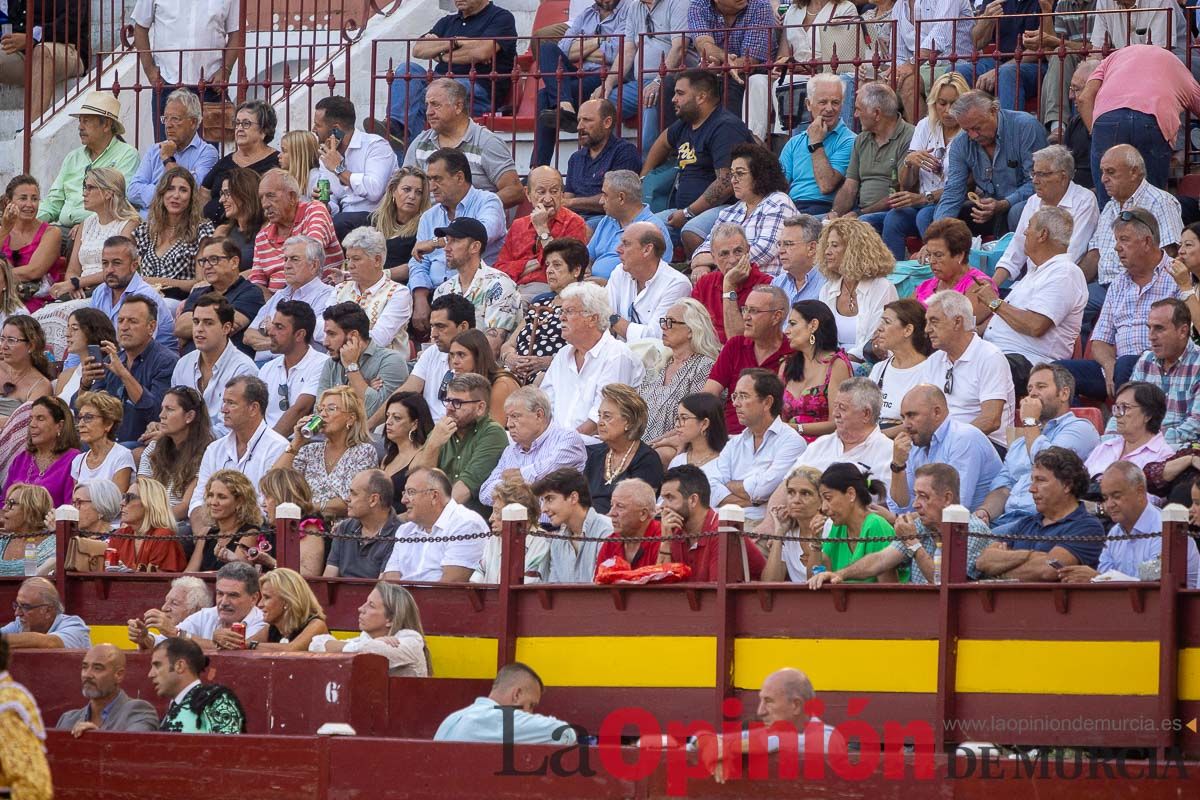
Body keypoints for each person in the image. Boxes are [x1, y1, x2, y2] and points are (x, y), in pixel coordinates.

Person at [1061, 208, 1179, 401]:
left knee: (1126, 364)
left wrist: (1123, 366)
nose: (1117, 247)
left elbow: (1184, 335)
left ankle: (1123, 418)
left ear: (1146, 242)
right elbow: (1100, 341)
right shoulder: (1118, 284)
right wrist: (1109, 366)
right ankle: (1080, 420)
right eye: (1116, 240)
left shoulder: (1178, 275)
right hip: (1118, 369)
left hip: (1162, 369)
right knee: (1057, 373)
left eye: (1124, 239)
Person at [757, 378, 896, 539]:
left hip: (850, 540)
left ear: (866, 414)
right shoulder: (820, 445)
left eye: (842, 408)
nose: (835, 413)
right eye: (835, 406)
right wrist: (769, 524)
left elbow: (890, 509)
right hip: (794, 535)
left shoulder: (888, 453)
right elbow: (786, 485)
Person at [643, 69, 756, 256]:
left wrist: (688, 213)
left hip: (727, 209)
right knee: (642, 230)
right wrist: (644, 177)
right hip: (683, 210)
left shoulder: (724, 127)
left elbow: (726, 183)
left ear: (701, 97)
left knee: (692, 231)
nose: (673, 99)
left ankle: (700, 269)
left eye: (680, 93)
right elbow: (663, 141)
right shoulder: (686, 124)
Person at [974, 364, 1100, 531]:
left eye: (1041, 386)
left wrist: (1029, 421)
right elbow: (1003, 489)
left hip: (1043, 521)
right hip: (1007, 519)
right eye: (1030, 388)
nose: (1033, 393)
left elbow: (1049, 465)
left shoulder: (1080, 428)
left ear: (1064, 393)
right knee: (961, 532)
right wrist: (985, 512)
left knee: (972, 541)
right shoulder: (1021, 443)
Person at [36, 168, 139, 359]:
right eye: (85, 187)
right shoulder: (86, 224)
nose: (84, 192)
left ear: (108, 193)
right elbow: (73, 269)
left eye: (90, 187)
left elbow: (119, 268)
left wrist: (77, 283)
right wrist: (74, 284)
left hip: (108, 290)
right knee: (38, 317)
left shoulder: (129, 224)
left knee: (65, 316)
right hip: (80, 289)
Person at [1078, 45, 1200, 205]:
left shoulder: (1112, 58)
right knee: (1151, 203)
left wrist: (1097, 135)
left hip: (1108, 120)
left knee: (1109, 203)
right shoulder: (1176, 64)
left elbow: (1084, 98)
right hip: (1152, 118)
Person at [388, 0, 519, 144]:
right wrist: (455, 42)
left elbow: (482, 52)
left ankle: (407, 147)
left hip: (477, 89)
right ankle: (395, 127)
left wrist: (439, 54)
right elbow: (418, 50)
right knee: (407, 69)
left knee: (420, 101)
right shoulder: (448, 21)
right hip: (439, 82)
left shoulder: (501, 17)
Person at [407, 149, 508, 331]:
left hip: (477, 290)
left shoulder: (488, 202)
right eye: (429, 179)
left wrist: (435, 242)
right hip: (435, 294)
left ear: (459, 177)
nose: (432, 186)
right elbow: (418, 261)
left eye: (438, 179)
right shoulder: (429, 216)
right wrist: (420, 297)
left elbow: (481, 234)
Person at [1082, 145, 1182, 324]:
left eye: (1111, 172)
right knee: (1068, 303)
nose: (1103, 179)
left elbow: (1171, 253)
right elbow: (1095, 253)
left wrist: (1142, 286)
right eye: (1103, 172)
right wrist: (1073, 285)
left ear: (1134, 172)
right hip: (1104, 286)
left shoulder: (1160, 202)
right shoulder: (1110, 207)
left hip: (1140, 286)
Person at [978, 206, 1088, 367]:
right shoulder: (1037, 271)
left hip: (1028, 363)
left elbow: (1035, 326)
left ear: (1043, 235)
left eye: (1029, 226)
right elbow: (1003, 321)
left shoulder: (1065, 273)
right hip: (999, 355)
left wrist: (994, 302)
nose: (1025, 232)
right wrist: (970, 332)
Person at [1059, 462, 1199, 587]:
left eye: (1116, 496)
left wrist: (1096, 579)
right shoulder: (1115, 533)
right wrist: (1096, 578)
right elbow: (1105, 576)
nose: (1109, 505)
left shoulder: (1165, 529)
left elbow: (1153, 585)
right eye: (1105, 498)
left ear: (1140, 492)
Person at [976, 447, 1104, 579]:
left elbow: (1048, 570)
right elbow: (983, 561)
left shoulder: (1087, 527)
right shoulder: (1025, 524)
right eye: (1032, 480)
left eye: (1040, 480)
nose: (1031, 489)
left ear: (1067, 485)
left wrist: (1002, 566)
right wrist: (1030, 555)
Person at [532, 0, 631, 168]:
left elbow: (616, 53)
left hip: (607, 76)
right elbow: (563, 49)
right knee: (547, 48)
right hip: (582, 74)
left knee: (544, 96)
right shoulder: (586, 15)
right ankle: (564, 104)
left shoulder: (628, 12)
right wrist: (600, 41)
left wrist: (581, 50)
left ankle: (538, 168)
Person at [879, 72, 967, 258]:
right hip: (922, 201)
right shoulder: (925, 125)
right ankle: (894, 271)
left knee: (925, 215)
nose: (948, 110)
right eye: (942, 103)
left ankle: (935, 264)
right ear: (934, 103)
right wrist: (910, 163)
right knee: (893, 218)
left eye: (954, 104)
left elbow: (966, 186)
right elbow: (907, 184)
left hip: (954, 204)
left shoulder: (968, 131)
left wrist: (924, 198)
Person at [399, 78, 524, 208]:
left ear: (458, 106)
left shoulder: (486, 142)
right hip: (426, 218)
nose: (428, 112)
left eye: (435, 105)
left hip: (474, 219)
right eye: (427, 105)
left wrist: (474, 209)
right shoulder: (420, 143)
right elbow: (403, 186)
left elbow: (515, 191)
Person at [934, 91, 1047, 234]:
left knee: (1016, 211)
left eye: (977, 128)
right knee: (948, 218)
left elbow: (1038, 182)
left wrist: (1005, 203)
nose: (973, 135)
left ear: (993, 111)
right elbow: (953, 192)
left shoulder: (1025, 127)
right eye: (966, 130)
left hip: (1025, 203)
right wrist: (937, 233)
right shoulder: (961, 143)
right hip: (990, 206)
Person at [541, 282, 645, 435]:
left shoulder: (617, 355)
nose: (561, 317)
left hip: (595, 443)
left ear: (592, 319)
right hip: (557, 440)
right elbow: (545, 404)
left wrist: (564, 441)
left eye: (569, 311)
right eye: (561, 311)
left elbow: (601, 420)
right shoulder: (563, 354)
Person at [187, 376, 289, 532]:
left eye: (231, 403)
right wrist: (202, 535)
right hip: (213, 530)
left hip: (256, 531)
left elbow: (267, 508)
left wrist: (229, 532)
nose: (223, 409)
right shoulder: (214, 449)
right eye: (224, 402)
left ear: (253, 408)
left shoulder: (278, 448)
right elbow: (198, 500)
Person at [77, 295, 178, 446]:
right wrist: (85, 384)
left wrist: (124, 374)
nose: (124, 327)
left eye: (132, 321)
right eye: (120, 320)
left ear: (151, 327)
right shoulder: (111, 360)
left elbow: (156, 412)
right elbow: (83, 410)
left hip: (143, 443)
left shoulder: (166, 362)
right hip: (107, 442)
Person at [990, 145, 1098, 285]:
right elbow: (1017, 247)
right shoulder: (1033, 201)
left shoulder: (1084, 201)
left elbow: (1072, 253)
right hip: (1031, 281)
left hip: (1059, 283)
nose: (1035, 180)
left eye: (1042, 174)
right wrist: (992, 285)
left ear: (1063, 177)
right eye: (1034, 173)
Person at [923, 290, 1015, 449]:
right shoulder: (934, 360)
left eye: (934, 321)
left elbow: (991, 420)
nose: (927, 329)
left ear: (957, 322)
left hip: (985, 443)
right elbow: (924, 411)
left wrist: (948, 441)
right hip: (943, 443)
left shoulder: (989, 357)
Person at [712, 369, 807, 524]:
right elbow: (712, 488)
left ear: (767, 402)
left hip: (761, 524)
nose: (735, 403)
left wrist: (729, 485)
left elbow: (762, 490)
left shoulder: (791, 442)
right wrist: (754, 501)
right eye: (735, 396)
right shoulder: (734, 443)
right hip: (721, 519)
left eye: (744, 396)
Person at [690, 143, 798, 279]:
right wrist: (701, 266)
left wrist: (714, 259)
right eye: (732, 174)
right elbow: (705, 247)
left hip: (766, 284)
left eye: (740, 174)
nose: (733, 180)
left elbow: (764, 251)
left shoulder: (779, 201)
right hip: (729, 282)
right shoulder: (729, 212)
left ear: (760, 175)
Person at [889, 384, 1002, 512]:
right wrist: (898, 465)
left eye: (912, 415)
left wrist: (902, 518)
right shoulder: (914, 442)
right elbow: (902, 507)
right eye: (903, 417)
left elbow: (955, 508)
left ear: (936, 412)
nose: (906, 425)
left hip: (978, 522)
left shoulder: (963, 438)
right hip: (933, 521)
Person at [38, 91, 140, 229]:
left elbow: (119, 202)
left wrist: (87, 225)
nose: (80, 127)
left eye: (86, 121)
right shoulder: (73, 157)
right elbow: (53, 202)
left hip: (102, 229)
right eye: (80, 121)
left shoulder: (127, 155)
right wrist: (28, 222)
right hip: (64, 229)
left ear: (106, 125)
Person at [1106, 300, 1200, 449]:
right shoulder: (1146, 361)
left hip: (1179, 449)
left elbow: (1196, 426)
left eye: (1159, 328)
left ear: (1182, 331)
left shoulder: (1198, 364)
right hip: (1139, 447)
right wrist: (1109, 441)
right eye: (1149, 328)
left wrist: (1147, 443)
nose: (1151, 336)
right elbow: (1121, 409)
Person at [275, 385, 379, 519]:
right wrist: (296, 443)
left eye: (331, 409)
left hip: (342, 527)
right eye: (321, 409)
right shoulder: (310, 450)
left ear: (351, 418)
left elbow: (352, 501)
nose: (323, 414)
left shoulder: (363, 452)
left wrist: (308, 508)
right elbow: (274, 481)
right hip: (305, 524)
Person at [704, 284, 792, 435]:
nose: (745, 317)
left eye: (754, 311)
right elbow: (708, 395)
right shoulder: (735, 346)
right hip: (728, 436)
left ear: (776, 316)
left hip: (771, 436)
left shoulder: (793, 353)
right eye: (744, 309)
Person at [479, 386, 587, 508]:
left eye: (515, 416)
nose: (509, 424)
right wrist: (521, 486)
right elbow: (485, 493)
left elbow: (547, 476)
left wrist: (511, 481)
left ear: (539, 415)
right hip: (516, 519)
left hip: (552, 520)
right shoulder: (510, 450)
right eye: (508, 417)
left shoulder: (567, 439)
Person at [494, 167, 590, 302]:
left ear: (562, 194)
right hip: (513, 287)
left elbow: (566, 267)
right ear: (528, 194)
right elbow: (501, 269)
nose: (548, 199)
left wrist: (542, 229)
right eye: (541, 192)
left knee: (512, 304)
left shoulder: (574, 222)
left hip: (550, 289)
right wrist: (538, 262)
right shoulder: (518, 225)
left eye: (554, 191)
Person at [499, 238, 587, 385]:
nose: (549, 270)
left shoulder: (584, 304)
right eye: (547, 265)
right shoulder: (540, 303)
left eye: (557, 265)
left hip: (554, 375)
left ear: (576, 270)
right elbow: (508, 345)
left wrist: (549, 362)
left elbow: (586, 350)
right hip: (515, 373)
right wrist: (510, 357)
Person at [310, 95, 399, 239]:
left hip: (377, 218)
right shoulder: (326, 156)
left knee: (340, 222)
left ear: (335, 129)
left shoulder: (376, 146)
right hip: (344, 219)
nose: (313, 129)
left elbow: (374, 190)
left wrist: (339, 169)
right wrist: (325, 204)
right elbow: (333, 200)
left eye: (318, 125)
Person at [430, 217, 523, 354]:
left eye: (455, 241)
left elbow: (492, 346)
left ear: (475, 247)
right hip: (449, 362)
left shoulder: (499, 285)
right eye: (447, 240)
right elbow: (436, 339)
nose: (446, 248)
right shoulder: (443, 290)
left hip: (486, 365)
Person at [658, 464, 766, 580]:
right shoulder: (674, 532)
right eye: (663, 499)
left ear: (693, 500)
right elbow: (661, 588)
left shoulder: (722, 532)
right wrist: (666, 543)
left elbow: (716, 590)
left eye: (670, 498)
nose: (663, 506)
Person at [171, 294, 258, 437]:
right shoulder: (183, 364)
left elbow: (232, 430)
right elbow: (173, 410)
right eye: (196, 322)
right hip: (183, 442)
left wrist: (181, 434)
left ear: (226, 328)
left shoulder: (243, 369)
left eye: (208, 323)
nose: (199, 329)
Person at [383, 467, 489, 582]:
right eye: (405, 493)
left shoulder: (466, 524)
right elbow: (390, 580)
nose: (404, 500)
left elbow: (451, 585)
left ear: (434, 496)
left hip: (440, 594)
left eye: (411, 492)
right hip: (403, 594)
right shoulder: (405, 530)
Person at [638, 299, 721, 443]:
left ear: (690, 330)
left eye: (670, 322)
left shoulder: (704, 367)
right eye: (664, 321)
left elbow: (694, 420)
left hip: (674, 446)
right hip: (638, 444)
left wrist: (652, 445)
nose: (664, 327)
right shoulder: (659, 363)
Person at [815, 218, 897, 361]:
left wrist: (842, 362)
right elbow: (822, 338)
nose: (827, 252)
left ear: (854, 250)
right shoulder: (827, 289)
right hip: (833, 362)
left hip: (869, 363)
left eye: (834, 245)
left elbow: (876, 340)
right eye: (827, 246)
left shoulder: (882, 287)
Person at [249, 170, 342, 296]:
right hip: (277, 302)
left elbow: (311, 254)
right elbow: (257, 283)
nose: (264, 204)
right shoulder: (262, 237)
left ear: (292, 197)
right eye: (261, 198)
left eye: (271, 196)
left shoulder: (314, 211)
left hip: (317, 298)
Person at [127, 89, 218, 217]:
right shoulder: (155, 150)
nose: (168, 125)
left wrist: (168, 159)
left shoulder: (207, 153)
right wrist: (167, 194)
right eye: (165, 118)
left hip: (182, 224)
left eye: (175, 119)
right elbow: (132, 191)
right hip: (147, 221)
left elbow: (192, 190)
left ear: (193, 122)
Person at [309, 582, 432, 676]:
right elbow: (316, 644)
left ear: (391, 619)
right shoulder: (367, 639)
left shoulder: (411, 641)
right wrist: (368, 644)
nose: (361, 609)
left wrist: (340, 648)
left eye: (371, 605)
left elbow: (370, 650)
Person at [831, 83, 915, 221]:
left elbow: (899, 194)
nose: (855, 115)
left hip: (892, 213)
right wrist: (834, 214)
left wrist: (859, 214)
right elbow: (850, 187)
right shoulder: (861, 139)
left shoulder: (910, 137)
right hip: (861, 213)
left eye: (858, 109)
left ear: (876, 113)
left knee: (862, 222)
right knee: (815, 223)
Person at [435, 662, 574, 744]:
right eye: (531, 705)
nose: (530, 713)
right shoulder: (498, 719)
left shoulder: (452, 719)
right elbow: (564, 733)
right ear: (517, 695)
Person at [244, 235, 337, 356]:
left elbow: (310, 338)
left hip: (302, 365)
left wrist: (270, 335)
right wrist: (277, 339)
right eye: (285, 259)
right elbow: (248, 336)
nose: (286, 265)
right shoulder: (280, 295)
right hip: (265, 365)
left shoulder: (328, 295)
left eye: (294, 259)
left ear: (314, 265)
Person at [83, 235, 176, 355]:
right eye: (105, 263)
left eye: (116, 263)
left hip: (151, 362)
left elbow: (139, 349)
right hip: (116, 358)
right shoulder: (100, 292)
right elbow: (88, 336)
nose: (109, 270)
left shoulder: (145, 296)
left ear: (134, 266)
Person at [317, 301, 409, 421]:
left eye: (332, 334)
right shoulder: (331, 363)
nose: (325, 342)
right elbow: (319, 411)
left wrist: (351, 368)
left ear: (353, 336)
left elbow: (373, 413)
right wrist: (360, 389)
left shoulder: (391, 361)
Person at [132, 167, 214, 300]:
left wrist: (158, 282)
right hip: (145, 298)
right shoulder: (145, 231)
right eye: (170, 189)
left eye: (183, 190)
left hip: (180, 300)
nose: (176, 195)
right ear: (162, 193)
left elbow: (202, 282)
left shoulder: (202, 230)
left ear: (191, 197)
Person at [778, 74, 855, 215]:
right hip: (791, 207)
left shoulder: (850, 141)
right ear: (808, 104)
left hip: (823, 208)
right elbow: (779, 188)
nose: (829, 108)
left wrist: (816, 143)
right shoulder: (794, 142)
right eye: (823, 102)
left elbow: (826, 185)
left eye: (835, 102)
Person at [687, 0, 779, 119]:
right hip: (715, 71)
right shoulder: (699, 6)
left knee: (730, 85)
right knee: (673, 84)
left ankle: (730, 131)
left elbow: (751, 59)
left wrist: (724, 66)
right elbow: (703, 43)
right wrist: (724, 60)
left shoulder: (760, 6)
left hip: (753, 72)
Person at [176, 235, 264, 358]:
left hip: (230, 363)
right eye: (203, 261)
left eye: (214, 259)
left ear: (234, 262)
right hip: (191, 362)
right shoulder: (197, 293)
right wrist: (212, 321)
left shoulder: (251, 293)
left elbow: (228, 326)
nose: (207, 266)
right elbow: (180, 328)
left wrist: (194, 325)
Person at [395, 293, 477, 423]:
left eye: (440, 326)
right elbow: (405, 393)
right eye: (432, 326)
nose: (433, 334)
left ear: (463, 327)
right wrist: (368, 424)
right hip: (427, 431)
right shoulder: (432, 352)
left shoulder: (481, 363)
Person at [583, 384, 665, 515]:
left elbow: (637, 511)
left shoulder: (647, 460)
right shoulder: (593, 454)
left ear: (629, 422)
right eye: (599, 416)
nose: (600, 422)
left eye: (607, 416)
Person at [808, 462, 896, 581]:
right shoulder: (838, 526)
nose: (823, 508)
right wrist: (816, 543)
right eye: (822, 500)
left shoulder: (876, 525)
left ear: (851, 494)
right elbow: (815, 579)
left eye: (828, 498)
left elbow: (888, 588)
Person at [779, 300, 852, 442]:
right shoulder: (787, 365)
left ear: (813, 325)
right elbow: (777, 416)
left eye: (793, 324)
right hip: (786, 443)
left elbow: (837, 423)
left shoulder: (837, 365)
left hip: (822, 445)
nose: (786, 330)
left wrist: (796, 428)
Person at [333, 226, 413, 356]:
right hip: (340, 361)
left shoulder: (398, 293)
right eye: (348, 259)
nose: (350, 265)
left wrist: (334, 336)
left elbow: (379, 339)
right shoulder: (340, 289)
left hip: (382, 366)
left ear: (377, 260)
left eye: (356, 259)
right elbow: (319, 329)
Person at [138, 386, 213, 523]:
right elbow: (141, 490)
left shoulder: (207, 453)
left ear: (189, 416)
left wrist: (151, 522)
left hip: (178, 524)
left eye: (170, 409)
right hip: (148, 520)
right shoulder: (153, 448)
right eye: (162, 408)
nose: (161, 415)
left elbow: (185, 507)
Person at [690, 222, 773, 343]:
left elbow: (739, 343)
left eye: (738, 251)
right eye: (724, 254)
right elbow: (691, 331)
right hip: (707, 350)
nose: (733, 260)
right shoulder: (704, 284)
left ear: (748, 251)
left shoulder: (766, 286)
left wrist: (729, 287)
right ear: (714, 258)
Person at [607, 222, 692, 342]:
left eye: (626, 244)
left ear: (647, 250)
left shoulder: (677, 284)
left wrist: (613, 319)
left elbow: (656, 337)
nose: (618, 249)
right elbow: (601, 319)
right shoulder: (620, 272)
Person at [200, 100, 281, 224]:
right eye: (237, 123)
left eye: (246, 124)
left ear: (264, 130)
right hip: (211, 229)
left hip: (252, 230)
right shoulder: (225, 162)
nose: (239, 128)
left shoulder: (277, 162)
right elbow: (204, 192)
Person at [587, 170, 675, 282]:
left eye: (605, 195)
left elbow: (656, 278)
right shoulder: (607, 220)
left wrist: (608, 285)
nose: (601, 201)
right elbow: (588, 256)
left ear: (621, 198)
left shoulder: (653, 229)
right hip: (593, 287)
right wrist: (586, 268)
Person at [257, 300, 328, 436]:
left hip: (304, 442)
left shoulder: (322, 364)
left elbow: (300, 410)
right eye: (272, 325)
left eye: (279, 327)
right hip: (268, 440)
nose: (270, 332)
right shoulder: (267, 368)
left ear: (300, 334)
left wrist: (268, 445)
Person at [562, 99, 643, 218]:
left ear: (607, 122)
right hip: (575, 219)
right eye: (579, 120)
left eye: (587, 120)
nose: (579, 127)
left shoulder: (624, 152)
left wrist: (571, 203)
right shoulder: (575, 158)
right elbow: (567, 199)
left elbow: (616, 199)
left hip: (607, 219)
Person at [56, 644, 159, 737]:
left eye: (97, 668)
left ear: (119, 675)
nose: (87, 675)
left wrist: (99, 739)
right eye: (84, 667)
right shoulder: (67, 720)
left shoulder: (139, 711)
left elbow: (133, 747)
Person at [532, 468, 614, 583]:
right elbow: (554, 588)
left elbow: (605, 587)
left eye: (549, 499)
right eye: (542, 501)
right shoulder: (557, 542)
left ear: (573, 498)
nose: (543, 509)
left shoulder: (607, 532)